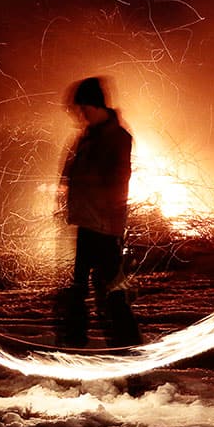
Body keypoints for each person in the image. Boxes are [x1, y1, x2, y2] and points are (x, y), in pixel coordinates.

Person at [55, 76, 141, 349]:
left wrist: (110, 222)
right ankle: (75, 348)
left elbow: (116, 182)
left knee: (112, 295)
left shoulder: (117, 138)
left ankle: (128, 352)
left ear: (92, 105)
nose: (78, 116)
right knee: (78, 291)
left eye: (80, 109)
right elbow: (69, 174)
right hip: (86, 223)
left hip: (105, 228)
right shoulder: (87, 138)